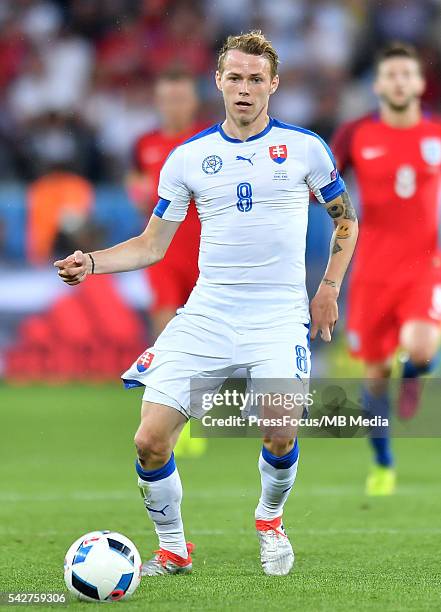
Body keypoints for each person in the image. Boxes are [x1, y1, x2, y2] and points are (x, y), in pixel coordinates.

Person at [54, 31, 357, 577]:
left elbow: (345, 220)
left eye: (255, 79)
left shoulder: (307, 148)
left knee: (281, 427)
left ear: (274, 84)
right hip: (208, 313)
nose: (244, 89)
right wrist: (92, 262)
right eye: (235, 77)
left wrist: (329, 287)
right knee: (149, 441)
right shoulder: (189, 158)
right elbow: (151, 244)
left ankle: (269, 520)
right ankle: (173, 547)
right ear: (217, 80)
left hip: (278, 314)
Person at [331, 43, 441, 496]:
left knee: (419, 348)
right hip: (373, 270)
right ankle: (383, 462)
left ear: (418, 84)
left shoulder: (436, 133)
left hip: (424, 266)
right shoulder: (356, 135)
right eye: (390, 74)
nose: (398, 82)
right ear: (378, 84)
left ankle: (414, 376)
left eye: (406, 74)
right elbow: (323, 182)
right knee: (373, 378)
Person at [127, 69, 207, 459]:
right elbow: (135, 179)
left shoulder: (209, 141)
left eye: (180, 98)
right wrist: (137, 189)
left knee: (207, 339)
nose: (173, 106)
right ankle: (177, 418)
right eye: (167, 99)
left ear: (192, 102)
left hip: (206, 253)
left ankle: (196, 411)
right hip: (163, 255)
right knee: (166, 337)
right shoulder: (145, 143)